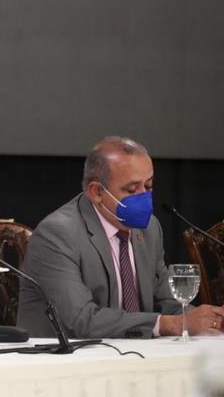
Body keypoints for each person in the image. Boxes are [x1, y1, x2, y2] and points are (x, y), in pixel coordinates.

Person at [17, 136, 224, 338]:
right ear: (97, 192)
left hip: (135, 352)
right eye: (132, 189)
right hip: (68, 357)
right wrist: (168, 324)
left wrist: (212, 319)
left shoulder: (149, 228)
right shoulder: (57, 234)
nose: (144, 197)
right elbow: (81, 320)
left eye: (148, 186)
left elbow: (167, 304)